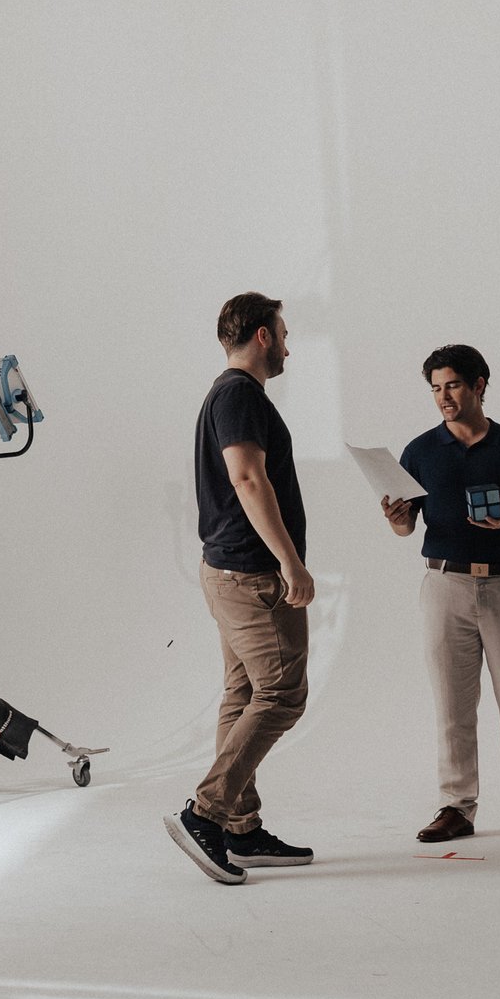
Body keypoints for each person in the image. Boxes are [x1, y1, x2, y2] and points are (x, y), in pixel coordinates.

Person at [381, 344, 500, 846]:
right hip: (445, 585)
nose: (444, 397)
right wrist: (398, 520)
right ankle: (455, 806)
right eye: (436, 388)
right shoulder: (419, 451)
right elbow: (406, 527)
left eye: (453, 386)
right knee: (452, 704)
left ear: (479, 385)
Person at [164, 292, 318, 885]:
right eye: (283, 334)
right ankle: (205, 813)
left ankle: (239, 827)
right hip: (253, 576)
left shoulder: (228, 394)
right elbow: (248, 478)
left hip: (229, 572)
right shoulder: (239, 395)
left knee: (244, 692)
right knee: (282, 694)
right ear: (262, 336)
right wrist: (290, 563)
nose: (288, 348)